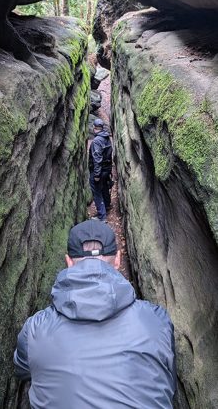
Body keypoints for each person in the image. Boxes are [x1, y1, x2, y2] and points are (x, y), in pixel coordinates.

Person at [14, 219, 176, 409]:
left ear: (68, 262)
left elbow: (22, 370)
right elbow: (168, 382)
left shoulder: (35, 329)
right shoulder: (157, 321)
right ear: (117, 259)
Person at [89, 118, 113, 221]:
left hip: (100, 170)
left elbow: (97, 159)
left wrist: (96, 175)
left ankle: (102, 217)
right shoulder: (106, 137)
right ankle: (107, 205)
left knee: (97, 192)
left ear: (94, 128)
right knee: (104, 188)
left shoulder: (96, 141)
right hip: (107, 169)